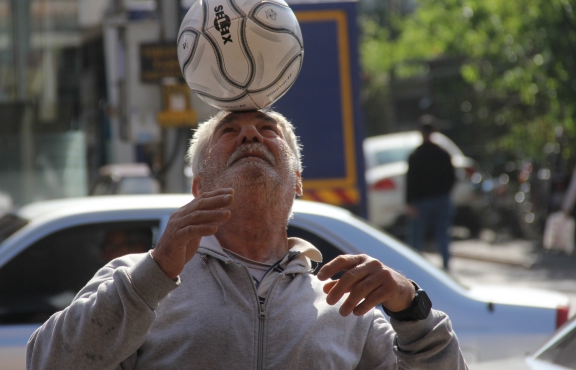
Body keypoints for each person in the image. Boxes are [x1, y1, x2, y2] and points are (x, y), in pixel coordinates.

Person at [27, 109, 467, 369]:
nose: (251, 134)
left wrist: (412, 307)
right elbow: (46, 362)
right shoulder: (137, 280)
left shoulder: (347, 305)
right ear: (199, 187)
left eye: (267, 129)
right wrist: (154, 274)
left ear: (296, 181)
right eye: (229, 132)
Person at [406, 115, 456, 270]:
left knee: (416, 238)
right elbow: (452, 178)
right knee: (443, 235)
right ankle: (446, 266)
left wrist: (410, 202)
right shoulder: (443, 154)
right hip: (441, 200)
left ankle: (415, 269)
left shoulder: (416, 155)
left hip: (422, 202)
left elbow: (411, 181)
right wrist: (445, 193)